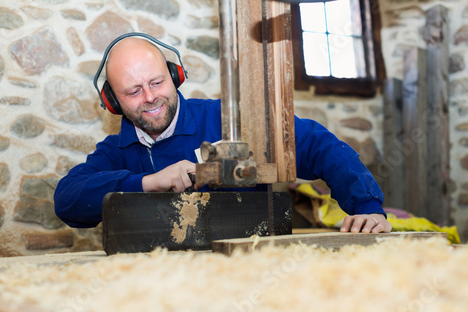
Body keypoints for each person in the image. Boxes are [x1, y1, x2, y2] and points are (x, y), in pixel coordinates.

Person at [54, 35, 391, 234]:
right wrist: (147, 182)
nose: (149, 97)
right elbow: (68, 200)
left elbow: (318, 145)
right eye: (132, 91)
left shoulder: (226, 119)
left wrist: (368, 207)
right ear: (112, 101)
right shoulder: (117, 150)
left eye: (157, 82)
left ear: (176, 76)